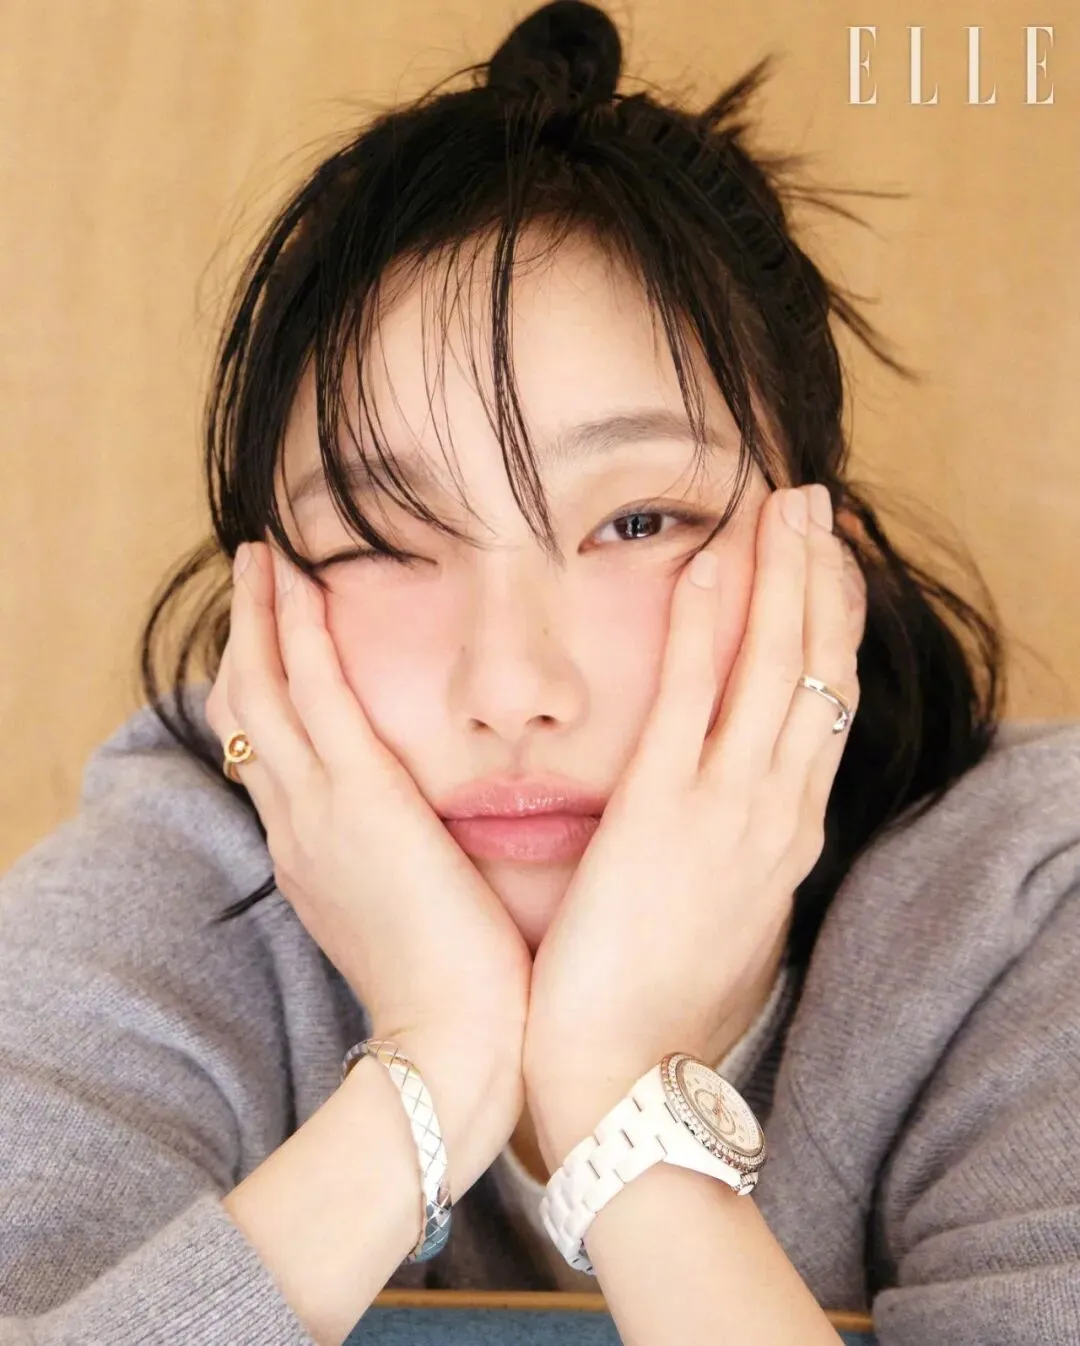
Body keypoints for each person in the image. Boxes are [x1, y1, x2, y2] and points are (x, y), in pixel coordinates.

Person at [2, 2, 1078, 1343]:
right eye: (384, 536)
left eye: (637, 521)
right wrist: (432, 1073)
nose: (511, 683)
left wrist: (620, 1095)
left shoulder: (1028, 902)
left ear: (828, 579)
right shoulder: (182, 877)